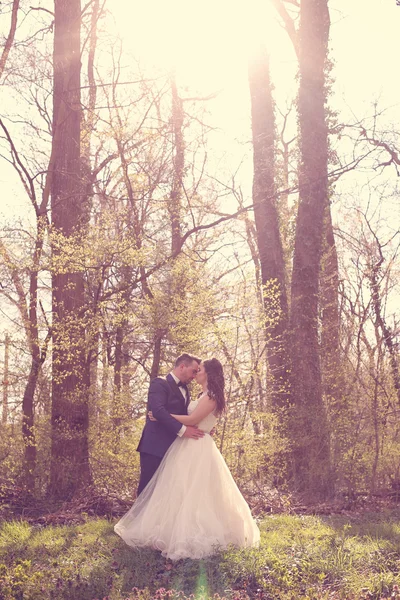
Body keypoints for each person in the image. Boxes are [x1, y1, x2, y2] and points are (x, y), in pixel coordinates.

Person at [114, 358, 260, 560]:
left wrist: (163, 416)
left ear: (207, 373)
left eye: (199, 370)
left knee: (197, 491)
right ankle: (164, 528)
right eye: (194, 370)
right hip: (185, 444)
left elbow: (192, 419)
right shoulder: (196, 393)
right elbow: (196, 417)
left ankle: (195, 533)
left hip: (197, 446)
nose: (195, 374)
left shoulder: (212, 396)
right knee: (178, 489)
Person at [136, 353, 204, 495]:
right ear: (182, 367)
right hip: (154, 446)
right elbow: (158, 411)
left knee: (166, 494)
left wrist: (204, 427)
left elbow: (186, 416)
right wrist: (184, 430)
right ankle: (139, 518)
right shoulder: (160, 383)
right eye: (193, 371)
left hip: (176, 448)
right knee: (147, 490)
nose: (194, 376)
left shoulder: (186, 390)